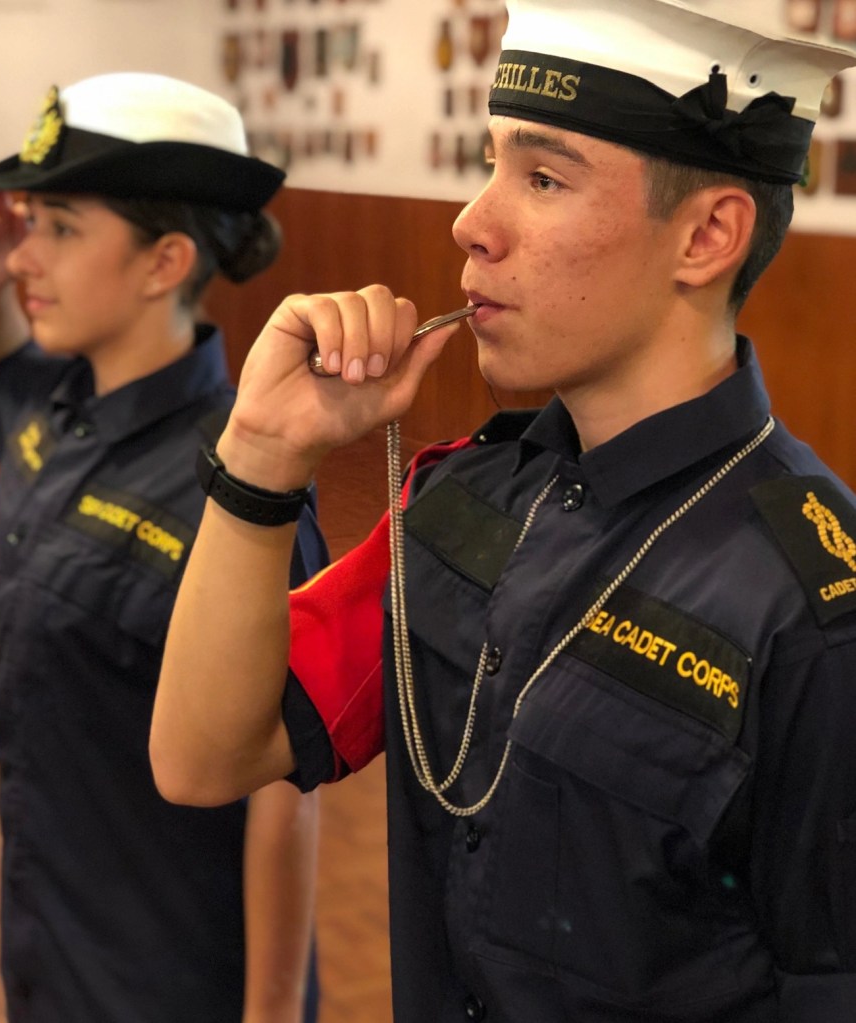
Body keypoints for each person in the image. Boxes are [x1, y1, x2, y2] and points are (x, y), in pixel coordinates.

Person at [150, 1, 856, 1019]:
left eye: (542, 176)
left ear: (705, 235)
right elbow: (204, 754)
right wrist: (262, 455)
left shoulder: (814, 613)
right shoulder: (460, 502)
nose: (470, 223)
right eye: (488, 165)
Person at [0, 72, 328, 1023]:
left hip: (168, 971)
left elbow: (286, 790)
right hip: (49, 930)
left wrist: (275, 1012)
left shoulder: (239, 484)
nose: (28, 254)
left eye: (62, 228)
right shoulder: (55, 404)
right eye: (31, 219)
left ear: (165, 262)